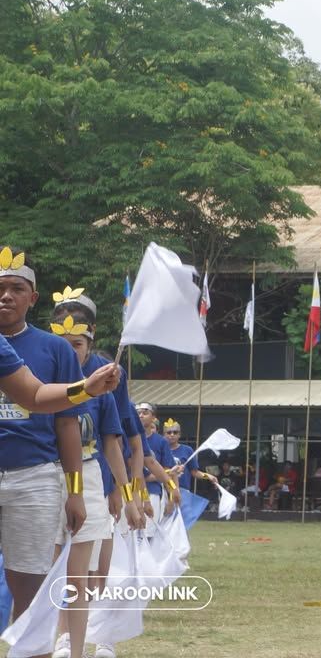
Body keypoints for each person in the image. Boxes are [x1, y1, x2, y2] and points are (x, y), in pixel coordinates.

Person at [0, 247, 94, 623]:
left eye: (16, 289)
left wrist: (76, 492)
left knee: (30, 589)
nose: (6, 296)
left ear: (33, 298)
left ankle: (28, 645)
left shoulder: (55, 348)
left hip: (34, 478)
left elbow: (66, 422)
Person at [47, 298, 134, 658]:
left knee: (79, 574)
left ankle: (76, 648)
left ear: (90, 343)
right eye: (62, 344)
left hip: (90, 478)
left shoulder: (102, 391)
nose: (70, 352)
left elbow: (113, 444)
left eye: (77, 344)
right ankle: (56, 639)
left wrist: (128, 495)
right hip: (46, 477)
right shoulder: (38, 385)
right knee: (49, 572)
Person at [135, 402, 179, 533]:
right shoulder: (129, 438)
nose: (141, 415)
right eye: (138, 413)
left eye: (145, 412)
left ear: (153, 417)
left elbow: (169, 471)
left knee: (148, 532)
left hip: (152, 491)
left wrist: (171, 497)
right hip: (130, 491)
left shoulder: (161, 441)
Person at [162, 418, 218, 492]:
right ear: (164, 435)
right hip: (164, 490)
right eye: (169, 432)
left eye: (175, 432)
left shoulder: (187, 450)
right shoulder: (160, 450)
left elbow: (195, 472)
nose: (172, 435)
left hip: (183, 491)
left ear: (179, 434)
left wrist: (208, 476)